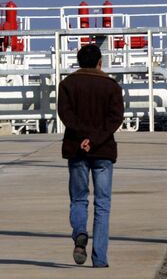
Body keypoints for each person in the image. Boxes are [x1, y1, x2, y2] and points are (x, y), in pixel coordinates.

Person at [57, 44, 124, 268]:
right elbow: (115, 119)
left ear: (78, 62)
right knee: (102, 204)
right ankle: (100, 259)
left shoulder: (67, 85)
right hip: (103, 150)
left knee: (78, 198)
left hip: (76, 150)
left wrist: (83, 137)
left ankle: (79, 234)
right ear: (100, 62)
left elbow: (66, 115)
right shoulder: (111, 86)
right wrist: (94, 139)